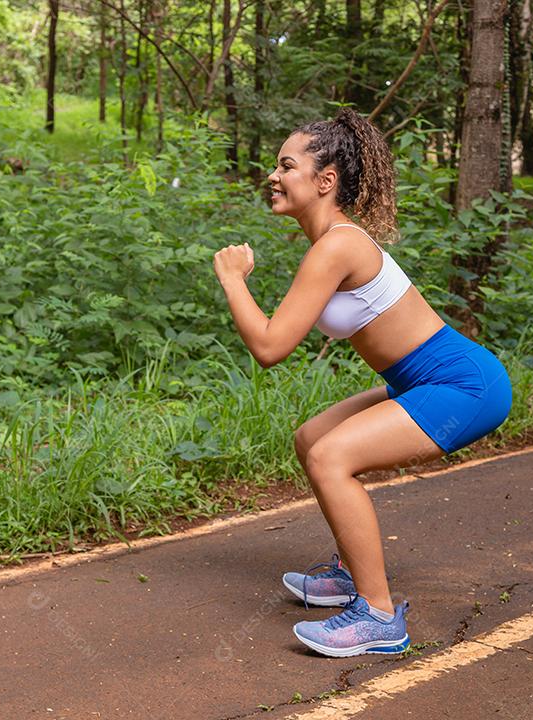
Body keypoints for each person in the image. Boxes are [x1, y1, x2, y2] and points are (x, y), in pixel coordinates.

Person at [212, 109, 512, 658]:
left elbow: (270, 348)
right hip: (420, 380)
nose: (273, 176)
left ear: (325, 181)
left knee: (331, 457)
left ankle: (378, 616)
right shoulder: (331, 243)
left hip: (464, 385)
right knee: (312, 439)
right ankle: (352, 575)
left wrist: (233, 281)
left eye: (287, 165)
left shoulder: (338, 245)